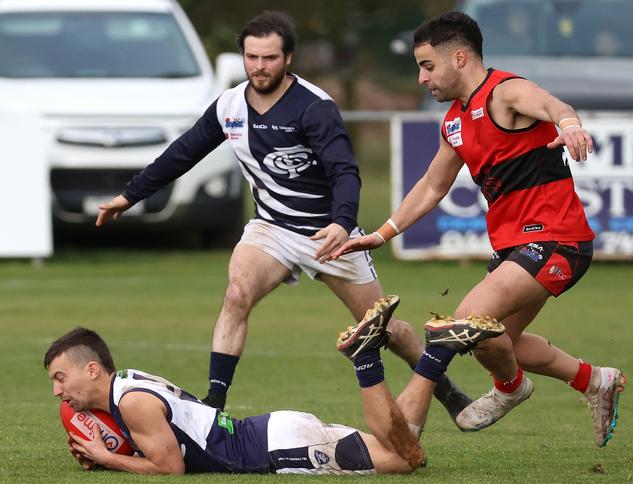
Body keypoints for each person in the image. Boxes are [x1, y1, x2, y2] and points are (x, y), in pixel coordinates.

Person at [94, 11, 470, 419]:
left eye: (269, 57)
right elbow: (183, 153)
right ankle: (213, 407)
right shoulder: (230, 105)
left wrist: (342, 223)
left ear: (288, 58)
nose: (259, 66)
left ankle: (447, 392)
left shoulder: (314, 107)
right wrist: (129, 195)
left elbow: (345, 171)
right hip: (269, 229)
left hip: (326, 233)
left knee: (384, 329)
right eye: (251, 57)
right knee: (236, 294)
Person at [330, 11, 625, 447]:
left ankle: (418, 424)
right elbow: (433, 185)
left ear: (461, 58)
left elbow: (550, 104)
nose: (421, 78)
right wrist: (383, 233)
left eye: (428, 66)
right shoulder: (454, 121)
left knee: (465, 319)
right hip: (513, 247)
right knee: (495, 344)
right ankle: (595, 381)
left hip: (558, 239)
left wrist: (569, 125)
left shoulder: (505, 92)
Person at [44, 301, 503, 474]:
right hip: (275, 431)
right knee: (403, 447)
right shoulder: (129, 383)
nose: (57, 392)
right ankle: (437, 351)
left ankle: (372, 359)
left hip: (273, 451)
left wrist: (108, 458)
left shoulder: (134, 404)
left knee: (402, 459)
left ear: (91, 370)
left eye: (60, 378)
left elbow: (170, 470)